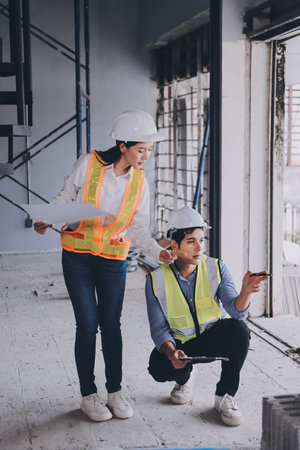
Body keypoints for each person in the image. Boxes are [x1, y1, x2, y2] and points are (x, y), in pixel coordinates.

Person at [34, 109, 176, 422]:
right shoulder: (88, 164)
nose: (146, 157)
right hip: (78, 259)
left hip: (113, 260)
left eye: (150, 150)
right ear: (123, 146)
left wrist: (156, 252)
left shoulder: (141, 183)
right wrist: (46, 217)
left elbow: (138, 229)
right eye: (141, 150)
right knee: (87, 326)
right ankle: (88, 395)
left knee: (111, 326)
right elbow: (65, 198)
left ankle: (115, 391)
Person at [145, 206, 269, 426]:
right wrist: (172, 352)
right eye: (191, 241)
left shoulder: (216, 267)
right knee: (157, 366)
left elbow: (236, 311)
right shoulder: (156, 280)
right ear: (174, 245)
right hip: (183, 347)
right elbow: (159, 329)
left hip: (212, 339)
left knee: (239, 330)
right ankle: (185, 378)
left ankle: (225, 396)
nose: (199, 247)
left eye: (202, 240)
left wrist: (246, 292)